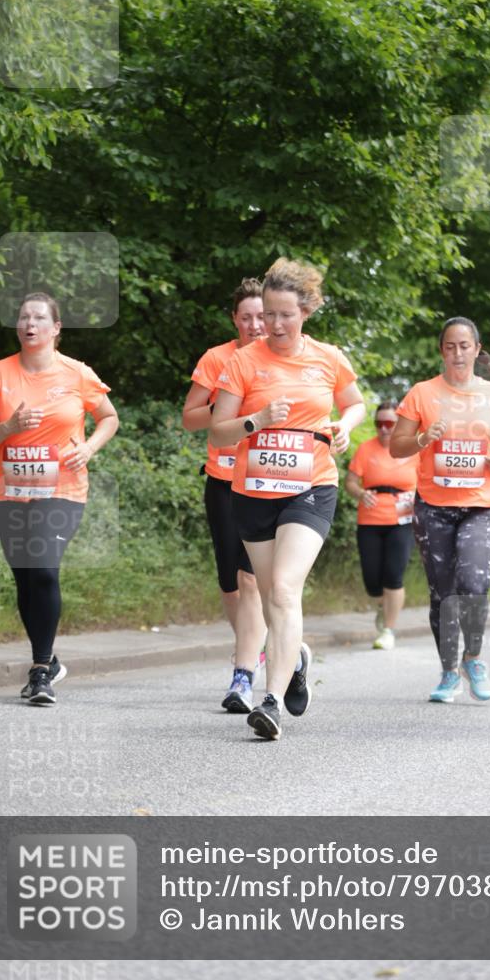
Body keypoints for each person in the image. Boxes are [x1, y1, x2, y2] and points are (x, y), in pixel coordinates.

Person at [210, 258, 365, 740]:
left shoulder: (328, 357)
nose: (274, 325)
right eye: (269, 314)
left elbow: (355, 402)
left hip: (312, 486)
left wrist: (346, 426)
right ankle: (294, 656)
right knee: (272, 595)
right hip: (253, 491)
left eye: (285, 315)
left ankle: (270, 701)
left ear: (306, 311)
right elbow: (218, 434)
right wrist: (257, 420)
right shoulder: (243, 361)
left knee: (282, 589)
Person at [0, 292, 118, 705]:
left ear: (55, 329)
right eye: (23, 317)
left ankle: (39, 672)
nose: (29, 323)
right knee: (26, 576)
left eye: (38, 318)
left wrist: (88, 448)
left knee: (44, 568)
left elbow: (109, 417)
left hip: (63, 489)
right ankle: (48, 659)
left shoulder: (77, 373)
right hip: (12, 490)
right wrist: (9, 427)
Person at [390, 317, 490, 703]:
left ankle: (474, 658)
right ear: (441, 351)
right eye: (450, 346)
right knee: (443, 593)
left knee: (474, 583)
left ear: (477, 350)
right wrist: (421, 438)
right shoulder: (421, 393)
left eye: (465, 346)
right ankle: (449, 671)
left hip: (481, 505)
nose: (457, 353)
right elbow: (396, 447)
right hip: (433, 507)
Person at [182, 278, 267, 713]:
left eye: (261, 316)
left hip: (266, 482)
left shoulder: (282, 359)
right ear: (235, 319)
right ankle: (255, 648)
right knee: (229, 582)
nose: (255, 324)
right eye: (246, 317)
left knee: (251, 579)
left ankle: (243, 672)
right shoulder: (218, 358)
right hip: (222, 477)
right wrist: (227, 408)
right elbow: (189, 418)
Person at [345, 401, 418, 650]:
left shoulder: (412, 449)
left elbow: (427, 480)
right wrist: (360, 493)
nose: (384, 429)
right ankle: (381, 605)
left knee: (394, 575)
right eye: (379, 424)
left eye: (389, 424)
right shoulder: (366, 449)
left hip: (402, 520)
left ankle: (388, 629)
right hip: (370, 519)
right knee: (372, 580)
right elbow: (351, 482)